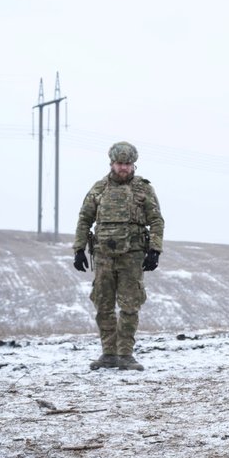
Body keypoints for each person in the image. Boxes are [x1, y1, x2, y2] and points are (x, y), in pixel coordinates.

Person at [72, 141, 163, 371]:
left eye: (128, 164)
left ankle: (125, 355)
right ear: (112, 163)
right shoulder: (99, 188)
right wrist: (78, 249)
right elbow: (84, 219)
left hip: (132, 257)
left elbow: (156, 221)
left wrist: (155, 250)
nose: (124, 168)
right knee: (103, 305)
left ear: (134, 165)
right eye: (120, 163)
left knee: (130, 306)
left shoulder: (143, 189)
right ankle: (108, 354)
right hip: (103, 256)